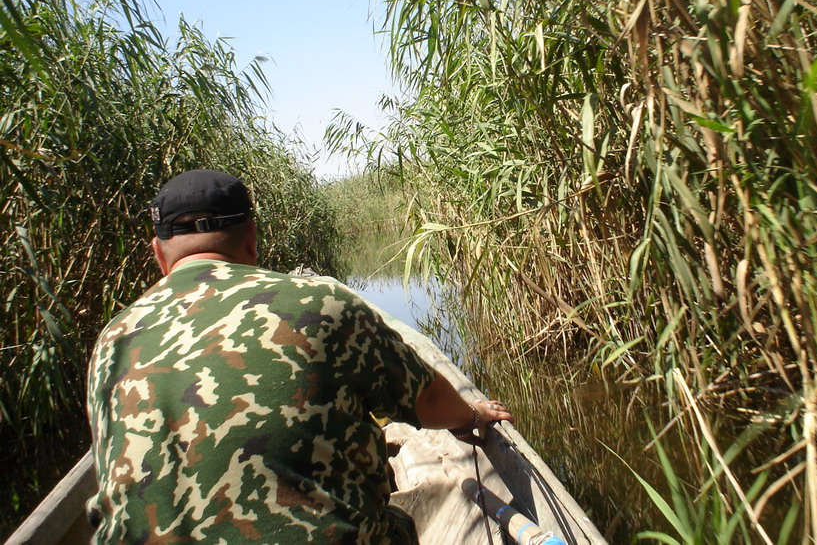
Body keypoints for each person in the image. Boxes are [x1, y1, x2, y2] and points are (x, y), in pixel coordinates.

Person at [86, 169, 513, 544]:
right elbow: (430, 402)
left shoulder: (112, 342)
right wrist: (472, 417)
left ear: (159, 254)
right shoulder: (319, 302)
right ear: (251, 240)